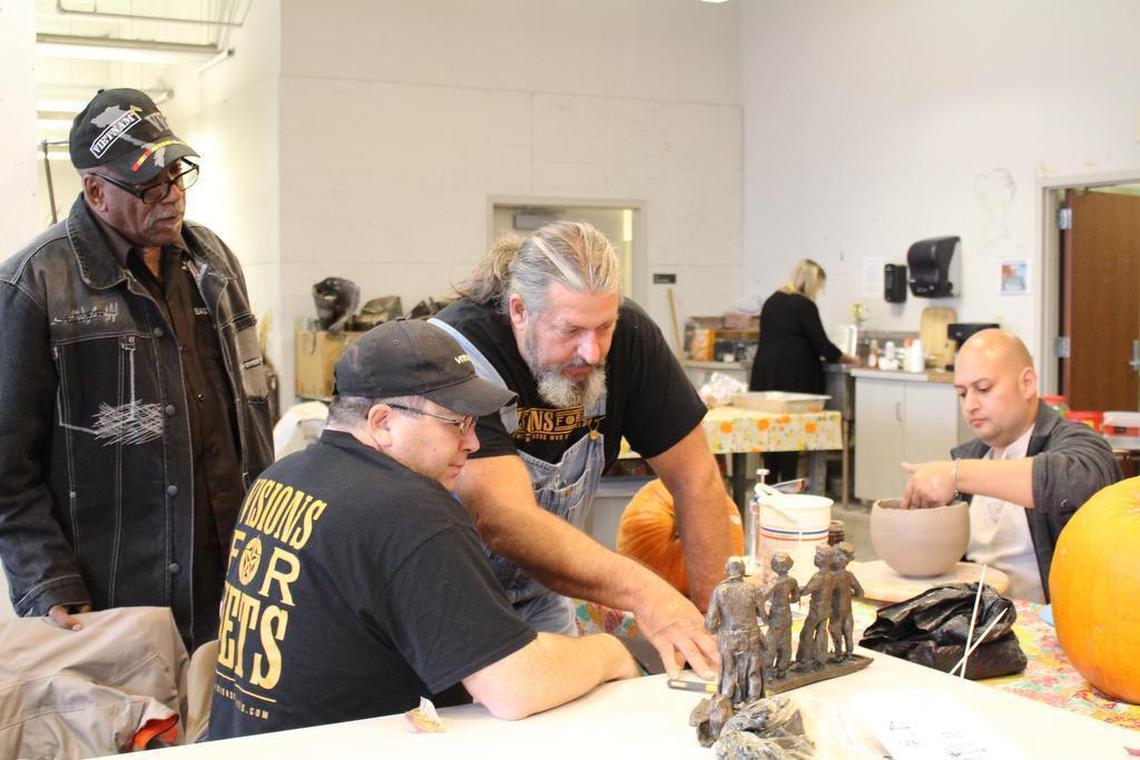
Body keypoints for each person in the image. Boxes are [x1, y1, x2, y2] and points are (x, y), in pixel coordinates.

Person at [208, 320, 638, 738]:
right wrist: (609, 653)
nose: (472, 443)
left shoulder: (279, 478)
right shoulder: (406, 508)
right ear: (383, 423)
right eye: (456, 423)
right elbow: (514, 686)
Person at [0, 88, 273, 650]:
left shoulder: (213, 261)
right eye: (149, 185)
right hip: (115, 589)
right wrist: (47, 578)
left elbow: (252, 405)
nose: (172, 196)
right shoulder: (34, 284)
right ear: (95, 190)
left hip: (236, 570)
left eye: (176, 173)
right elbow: (6, 466)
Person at [432, 220, 734, 679]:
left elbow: (697, 479)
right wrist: (647, 594)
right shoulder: (459, 351)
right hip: (449, 600)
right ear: (519, 310)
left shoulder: (631, 338)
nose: (592, 352)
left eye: (604, 327)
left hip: (541, 593)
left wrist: (715, 623)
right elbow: (502, 520)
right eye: (570, 330)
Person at [900, 329, 1121, 602]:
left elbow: (1079, 481)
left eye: (983, 389)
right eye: (962, 394)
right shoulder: (972, 455)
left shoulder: (1075, 441)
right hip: (976, 617)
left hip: (1051, 620)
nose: (970, 405)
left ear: (1027, 383)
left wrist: (956, 473)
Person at [749, 259, 859, 482]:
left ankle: (769, 484)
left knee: (770, 434)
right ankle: (788, 485)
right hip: (793, 378)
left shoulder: (772, 301)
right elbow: (823, 346)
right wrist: (850, 359)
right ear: (811, 282)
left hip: (766, 374)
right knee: (790, 435)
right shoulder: (805, 306)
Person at [704, 556, 765, 706]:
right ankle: (754, 700)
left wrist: (714, 629)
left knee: (728, 670)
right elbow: (762, 614)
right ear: (743, 571)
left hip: (728, 638)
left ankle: (726, 700)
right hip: (751, 635)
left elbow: (710, 622)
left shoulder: (720, 590)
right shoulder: (753, 588)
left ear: (727, 570)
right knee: (753, 670)